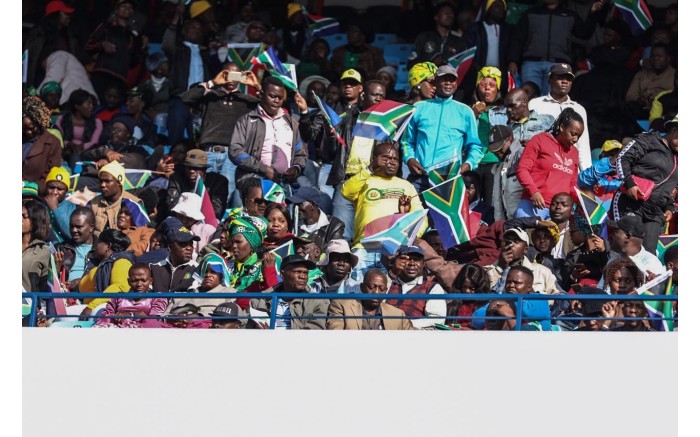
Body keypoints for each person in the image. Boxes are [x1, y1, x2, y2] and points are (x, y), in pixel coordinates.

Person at [341, 142, 426, 279]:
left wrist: (408, 238)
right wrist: (370, 169)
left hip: (393, 251)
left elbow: (421, 217)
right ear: (374, 159)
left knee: (387, 295)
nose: (391, 162)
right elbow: (346, 191)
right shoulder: (365, 180)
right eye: (386, 158)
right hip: (364, 248)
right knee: (356, 292)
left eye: (395, 159)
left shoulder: (406, 185)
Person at [181, 63, 261, 201]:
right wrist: (212, 82)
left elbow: (274, 107)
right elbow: (186, 98)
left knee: (224, 195)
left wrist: (256, 86)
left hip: (232, 154)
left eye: (236, 75)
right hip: (208, 153)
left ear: (241, 77)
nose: (231, 78)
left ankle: (218, 221)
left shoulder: (248, 101)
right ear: (222, 74)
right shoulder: (210, 97)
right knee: (202, 193)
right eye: (227, 74)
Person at [401, 64, 483, 193]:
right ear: (436, 82)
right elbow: (407, 141)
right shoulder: (419, 108)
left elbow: (476, 147)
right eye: (444, 79)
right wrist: (410, 159)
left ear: (456, 84)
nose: (448, 83)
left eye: (452, 80)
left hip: (449, 179)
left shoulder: (465, 111)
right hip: (420, 177)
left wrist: (468, 165)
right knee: (415, 212)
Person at [507, 0, 606, 95]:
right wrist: (513, 60)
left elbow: (584, 33)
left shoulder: (570, 15)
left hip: (558, 65)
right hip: (531, 64)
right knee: (529, 100)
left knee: (552, 101)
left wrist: (592, 13)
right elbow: (518, 38)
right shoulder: (531, 13)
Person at [612, 117, 678, 253]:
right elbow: (623, 158)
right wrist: (629, 183)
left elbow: (673, 188)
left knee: (648, 255)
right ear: (674, 130)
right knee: (626, 247)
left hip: (655, 213)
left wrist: (670, 208)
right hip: (631, 203)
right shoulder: (650, 140)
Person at [229, 76, 307, 187]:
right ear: (261, 94)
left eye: (280, 98)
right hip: (253, 181)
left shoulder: (290, 123)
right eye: (272, 96)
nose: (276, 101)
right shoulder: (247, 121)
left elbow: (300, 154)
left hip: (283, 183)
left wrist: (296, 168)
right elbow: (235, 152)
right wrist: (264, 169)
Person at [515, 108, 582, 219]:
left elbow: (572, 185)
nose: (576, 139)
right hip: (533, 207)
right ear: (561, 127)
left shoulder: (574, 153)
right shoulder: (540, 140)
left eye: (578, 136)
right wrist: (534, 192)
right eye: (573, 134)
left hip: (558, 213)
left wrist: (583, 200)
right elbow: (522, 169)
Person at [528, 63, 592, 170]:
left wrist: (587, 175)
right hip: (542, 166)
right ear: (550, 80)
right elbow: (529, 138)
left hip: (570, 167)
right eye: (560, 77)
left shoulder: (579, 109)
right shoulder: (535, 104)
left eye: (569, 79)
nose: (565, 81)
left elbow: (583, 145)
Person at [84, 0, 146, 100]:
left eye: (130, 8)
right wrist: (102, 45)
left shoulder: (133, 37)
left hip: (120, 80)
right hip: (102, 75)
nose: (127, 9)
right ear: (116, 10)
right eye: (124, 6)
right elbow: (88, 47)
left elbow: (133, 62)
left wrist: (142, 49)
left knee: (114, 111)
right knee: (95, 104)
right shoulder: (105, 27)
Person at [249, 255, 329, 330]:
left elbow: (315, 331)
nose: (303, 277)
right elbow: (243, 323)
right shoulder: (261, 299)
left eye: (305, 273)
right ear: (283, 275)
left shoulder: (318, 302)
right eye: (297, 272)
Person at [327, 268, 413, 330]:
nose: (376, 292)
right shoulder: (341, 306)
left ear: (386, 291)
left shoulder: (398, 315)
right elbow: (335, 337)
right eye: (371, 287)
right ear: (362, 287)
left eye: (381, 289)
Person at [77, 229, 135, 321]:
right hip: (90, 306)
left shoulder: (122, 261)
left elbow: (118, 287)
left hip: (107, 309)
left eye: (99, 242)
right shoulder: (100, 264)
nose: (96, 246)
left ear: (108, 246)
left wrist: (91, 307)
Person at [484, 227, 560, 295]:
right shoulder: (487, 272)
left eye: (516, 241)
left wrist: (534, 296)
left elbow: (558, 298)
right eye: (507, 241)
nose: (510, 245)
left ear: (525, 250)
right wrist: (500, 268)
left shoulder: (542, 271)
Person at [385, 245, 446, 329]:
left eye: (417, 260)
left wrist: (405, 324)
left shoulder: (432, 287)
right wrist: (393, 272)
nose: (412, 263)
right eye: (407, 259)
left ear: (423, 264)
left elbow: (437, 319)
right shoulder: (389, 282)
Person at [23, 0, 81, 88]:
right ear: (55, 15)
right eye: (65, 13)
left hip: (66, 83)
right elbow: (29, 60)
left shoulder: (70, 36)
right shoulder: (38, 34)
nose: (69, 16)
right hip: (41, 81)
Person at [225, 215, 278, 310]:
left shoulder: (266, 265)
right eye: (232, 242)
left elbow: (273, 295)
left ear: (252, 244)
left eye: (238, 242)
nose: (234, 246)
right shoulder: (227, 265)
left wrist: (269, 270)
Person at [462, 0, 511, 99]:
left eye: (503, 7)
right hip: (478, 73)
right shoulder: (475, 28)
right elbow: (467, 49)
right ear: (488, 9)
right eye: (496, 6)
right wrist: (474, 65)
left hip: (501, 76)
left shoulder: (508, 30)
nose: (501, 9)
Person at [165, 253, 238, 319]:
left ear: (221, 275)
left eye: (213, 272)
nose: (208, 275)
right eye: (205, 271)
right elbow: (164, 318)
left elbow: (230, 320)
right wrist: (173, 319)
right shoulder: (181, 296)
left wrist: (199, 317)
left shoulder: (230, 294)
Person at [94, 263, 168, 328]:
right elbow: (104, 317)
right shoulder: (118, 297)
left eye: (143, 280)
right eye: (134, 281)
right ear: (128, 282)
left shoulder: (157, 298)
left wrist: (131, 315)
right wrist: (117, 317)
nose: (139, 284)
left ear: (151, 281)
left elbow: (154, 321)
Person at [166, 149, 229, 220]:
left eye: (196, 168)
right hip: (181, 220)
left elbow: (217, 211)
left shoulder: (218, 182)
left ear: (204, 169)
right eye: (188, 167)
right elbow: (171, 205)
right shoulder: (176, 178)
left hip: (206, 221)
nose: (192, 171)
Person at [87, 161, 142, 233]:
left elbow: (142, 233)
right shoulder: (93, 203)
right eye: (101, 181)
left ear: (119, 182)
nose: (102, 185)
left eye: (107, 181)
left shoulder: (135, 204)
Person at [149, 217, 200, 292]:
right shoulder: (154, 268)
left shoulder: (197, 269)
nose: (189, 248)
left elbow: (196, 294)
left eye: (191, 244)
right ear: (170, 247)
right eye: (183, 244)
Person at [22, 96, 62, 192]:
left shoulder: (52, 143)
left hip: (35, 195)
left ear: (40, 123)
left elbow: (52, 175)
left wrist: (33, 187)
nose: (28, 132)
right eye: (24, 128)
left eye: (32, 128)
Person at [625, 44, 675, 120]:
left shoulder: (676, 75)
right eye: (653, 56)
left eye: (659, 56)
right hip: (642, 110)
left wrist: (656, 102)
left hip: (665, 113)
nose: (655, 59)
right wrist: (641, 100)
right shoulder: (641, 74)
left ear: (668, 58)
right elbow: (630, 96)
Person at [55, 89, 103, 165]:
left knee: (75, 155)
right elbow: (58, 136)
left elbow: (95, 141)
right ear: (77, 106)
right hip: (66, 150)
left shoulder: (96, 122)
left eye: (92, 104)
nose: (91, 107)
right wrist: (68, 144)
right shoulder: (63, 119)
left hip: (88, 151)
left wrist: (82, 146)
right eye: (88, 103)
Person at [487, 125, 524, 221]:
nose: (497, 152)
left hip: (525, 220)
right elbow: (498, 201)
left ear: (510, 139)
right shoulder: (499, 167)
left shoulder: (523, 155)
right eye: (494, 150)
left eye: (499, 147)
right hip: (509, 224)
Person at [55, 207, 96, 291]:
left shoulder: (101, 249)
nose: (74, 230)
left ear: (91, 227)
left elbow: (105, 277)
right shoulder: (61, 249)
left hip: (91, 296)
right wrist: (56, 269)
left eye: (78, 227)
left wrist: (83, 282)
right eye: (71, 226)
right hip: (65, 296)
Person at [444, 263, 491, 329]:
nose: (467, 291)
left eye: (472, 288)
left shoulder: (486, 308)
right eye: (464, 287)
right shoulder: (452, 306)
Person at [170, 192, 216, 256]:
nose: (184, 220)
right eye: (180, 216)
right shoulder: (171, 228)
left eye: (188, 217)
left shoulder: (207, 230)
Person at [22, 199, 51, 294]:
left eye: (24, 216)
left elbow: (44, 289)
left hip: (27, 306)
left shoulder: (44, 251)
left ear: (35, 220)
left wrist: (55, 270)